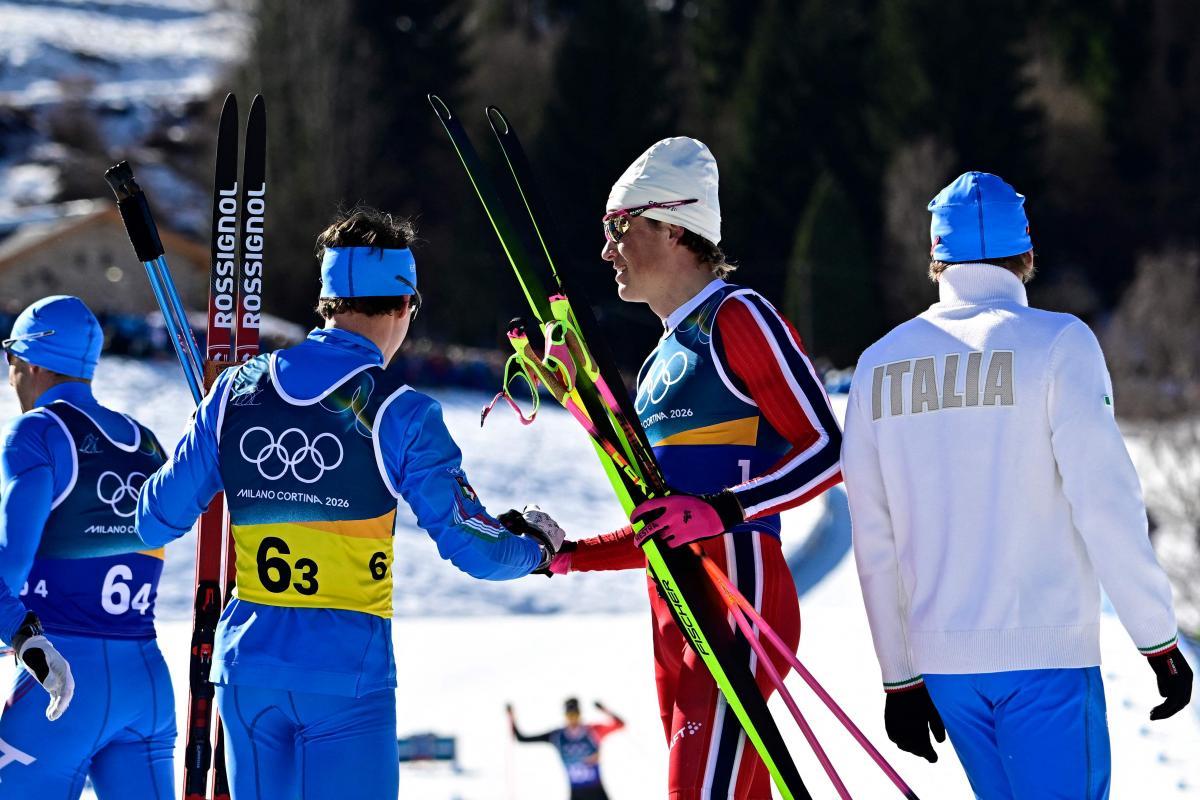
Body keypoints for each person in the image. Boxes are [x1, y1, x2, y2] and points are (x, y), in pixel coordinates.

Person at [135, 207, 564, 800]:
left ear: (326, 303)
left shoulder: (236, 390)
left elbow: (154, 518)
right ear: (405, 305)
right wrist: (536, 548)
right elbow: (476, 550)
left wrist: (212, 421)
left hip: (249, 672)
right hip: (346, 678)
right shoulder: (402, 411)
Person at [841, 171, 1193, 799]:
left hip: (944, 667)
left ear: (936, 257)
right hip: (1044, 654)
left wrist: (899, 676)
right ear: (1026, 253)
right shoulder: (1059, 344)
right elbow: (1106, 503)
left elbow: (873, 536)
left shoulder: (879, 364)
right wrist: (1157, 637)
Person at [545, 138, 843, 799]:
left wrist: (724, 509)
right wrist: (566, 556)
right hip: (672, 606)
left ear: (674, 227)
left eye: (618, 228)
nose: (607, 251)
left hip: (737, 590)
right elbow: (664, 523)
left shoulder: (737, 316)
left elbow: (828, 450)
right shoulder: (658, 360)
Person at [0, 295, 175, 797]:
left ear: (32, 362)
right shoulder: (146, 442)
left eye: (11, 357)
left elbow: (11, 566)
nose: (10, 375)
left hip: (61, 676)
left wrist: (17, 633)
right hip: (145, 679)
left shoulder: (36, 432)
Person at [507, 697, 625, 800]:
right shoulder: (557, 736)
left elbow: (620, 724)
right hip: (576, 792)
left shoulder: (593, 731)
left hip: (596, 790)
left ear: (580, 714)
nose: (573, 719)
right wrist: (511, 717)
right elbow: (522, 738)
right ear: (566, 716)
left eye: (575, 715)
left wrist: (604, 709)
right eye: (570, 715)